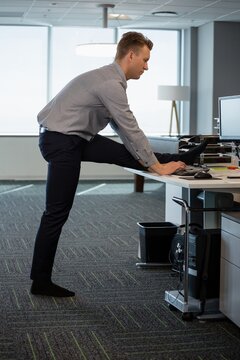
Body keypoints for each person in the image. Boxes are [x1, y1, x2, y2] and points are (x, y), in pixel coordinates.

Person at [30, 31, 207, 297]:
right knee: (56, 212)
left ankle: (181, 159)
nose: (147, 66)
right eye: (145, 60)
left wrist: (153, 162)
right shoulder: (110, 83)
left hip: (72, 138)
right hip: (62, 142)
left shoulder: (108, 78)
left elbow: (124, 133)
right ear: (131, 55)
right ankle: (40, 280)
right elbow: (130, 127)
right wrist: (155, 168)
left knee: (124, 153)